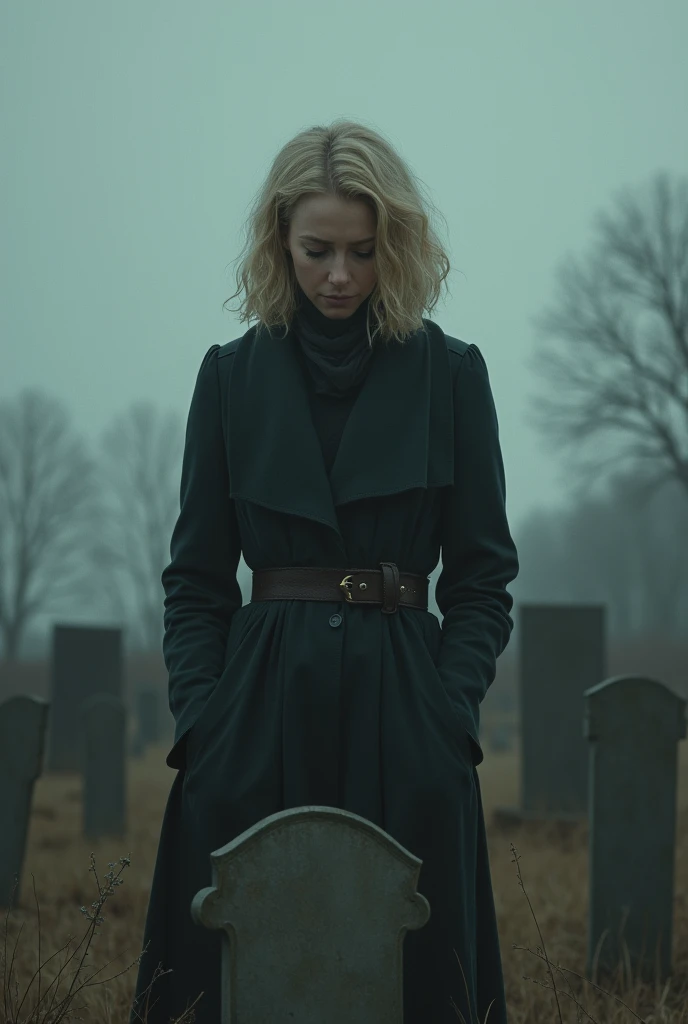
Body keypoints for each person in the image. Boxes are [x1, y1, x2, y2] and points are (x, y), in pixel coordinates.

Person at [129, 118, 519, 1024]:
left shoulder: (453, 376)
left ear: (396, 246)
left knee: (416, 976)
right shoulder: (229, 380)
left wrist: (448, 718)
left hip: (405, 700)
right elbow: (193, 579)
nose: (338, 275)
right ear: (280, 242)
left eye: (361, 251)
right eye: (316, 251)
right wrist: (205, 721)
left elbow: (481, 575)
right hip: (256, 704)